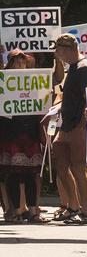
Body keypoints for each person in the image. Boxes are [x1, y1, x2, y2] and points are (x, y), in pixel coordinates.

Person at [51, 34, 87, 224]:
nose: (58, 55)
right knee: (61, 165)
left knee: (79, 168)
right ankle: (73, 206)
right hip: (66, 124)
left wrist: (82, 124)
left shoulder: (84, 68)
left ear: (68, 49)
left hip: (78, 126)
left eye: (59, 51)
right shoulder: (73, 67)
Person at [0, 50, 47, 223]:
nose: (20, 63)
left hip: (30, 132)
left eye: (23, 60)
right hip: (9, 133)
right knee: (12, 173)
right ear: (10, 63)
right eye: (16, 60)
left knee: (30, 174)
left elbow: (42, 102)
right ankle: (16, 210)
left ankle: (33, 211)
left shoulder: (35, 80)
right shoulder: (3, 81)